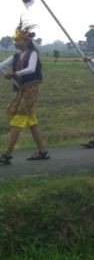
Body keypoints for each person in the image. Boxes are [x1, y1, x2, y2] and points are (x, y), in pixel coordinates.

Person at [0, 21, 48, 165]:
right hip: (21, 91)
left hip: (30, 91)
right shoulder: (16, 56)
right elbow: (1, 65)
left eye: (18, 40)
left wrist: (14, 74)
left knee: (18, 120)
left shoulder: (33, 53)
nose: (16, 43)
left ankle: (7, 155)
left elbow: (31, 69)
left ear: (26, 41)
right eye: (15, 40)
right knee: (31, 122)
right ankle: (42, 151)